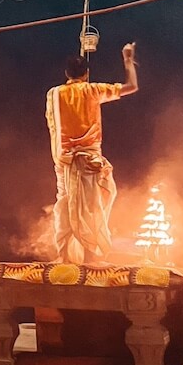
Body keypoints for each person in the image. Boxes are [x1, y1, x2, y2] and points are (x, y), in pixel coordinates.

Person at [46, 44, 138, 265]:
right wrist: (127, 60)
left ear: (66, 74)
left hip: (64, 162)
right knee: (91, 208)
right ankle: (88, 258)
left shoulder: (54, 94)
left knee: (67, 207)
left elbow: (53, 125)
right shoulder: (93, 90)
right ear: (86, 74)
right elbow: (132, 86)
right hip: (89, 162)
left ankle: (65, 259)